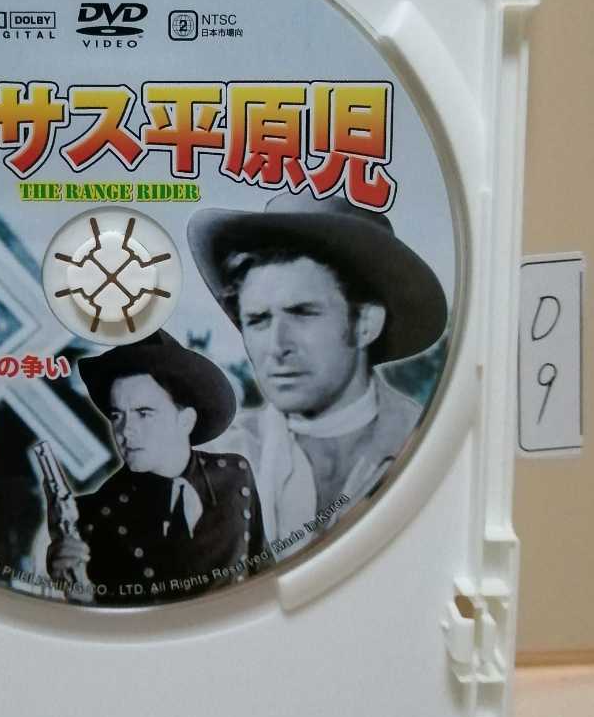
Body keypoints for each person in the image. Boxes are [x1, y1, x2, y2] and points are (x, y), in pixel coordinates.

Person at [187, 192, 448, 552]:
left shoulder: (430, 444)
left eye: (303, 313)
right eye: (258, 320)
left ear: (366, 324)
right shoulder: (213, 465)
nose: (277, 345)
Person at [47, 331, 271, 605]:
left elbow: (264, 572)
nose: (125, 431)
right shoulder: (92, 517)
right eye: (117, 415)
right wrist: (79, 595)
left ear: (186, 421)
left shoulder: (235, 476)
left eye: (144, 413)